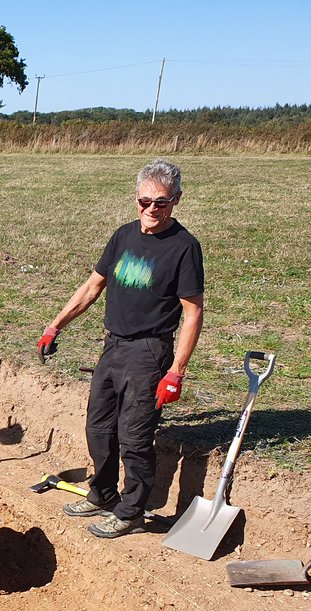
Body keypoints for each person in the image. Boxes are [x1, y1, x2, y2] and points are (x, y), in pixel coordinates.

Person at [36, 158, 204, 538]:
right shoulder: (123, 236)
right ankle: (103, 494)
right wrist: (55, 325)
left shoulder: (184, 247)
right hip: (113, 345)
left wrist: (176, 371)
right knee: (98, 427)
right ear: (136, 198)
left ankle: (131, 512)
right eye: (145, 201)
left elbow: (193, 312)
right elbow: (92, 287)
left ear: (176, 200)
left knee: (135, 434)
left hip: (149, 351)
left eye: (161, 202)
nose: (151, 209)